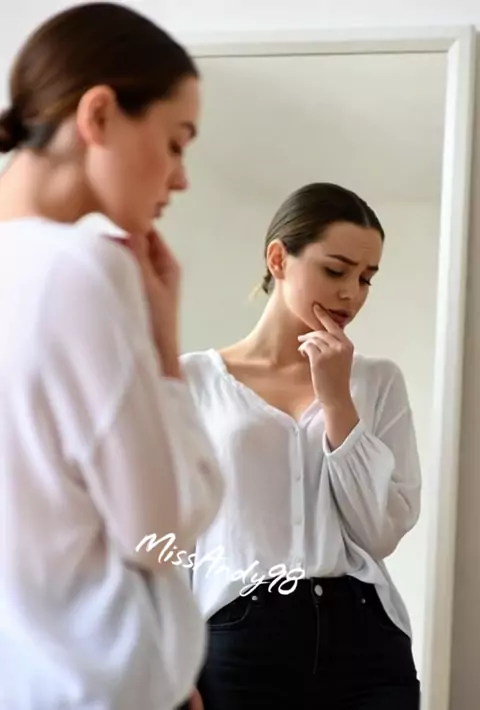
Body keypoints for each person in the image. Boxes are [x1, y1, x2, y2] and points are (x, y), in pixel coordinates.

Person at [0, 3, 224, 710]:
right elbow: (157, 536)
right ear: (98, 114)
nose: (181, 178)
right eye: (177, 142)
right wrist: (166, 351)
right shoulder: (81, 270)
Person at [180, 182, 422, 709]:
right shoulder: (191, 380)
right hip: (239, 636)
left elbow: (379, 532)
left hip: (365, 638)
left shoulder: (378, 381)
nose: (351, 294)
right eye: (336, 271)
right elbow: (171, 533)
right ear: (278, 259)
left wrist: (337, 401)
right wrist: (171, 666)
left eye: (366, 278)